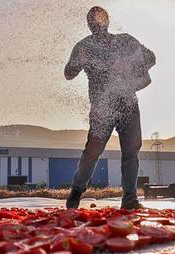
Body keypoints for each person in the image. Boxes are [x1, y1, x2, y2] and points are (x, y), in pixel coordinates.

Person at [64, 6, 156, 210]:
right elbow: (69, 73)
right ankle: (76, 192)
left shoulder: (124, 41)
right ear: (89, 25)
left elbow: (151, 58)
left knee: (130, 152)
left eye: (99, 19)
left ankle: (130, 199)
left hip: (128, 105)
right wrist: (79, 60)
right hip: (102, 108)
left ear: (106, 21)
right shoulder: (84, 46)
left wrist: (130, 68)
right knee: (93, 151)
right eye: (92, 21)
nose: (96, 23)